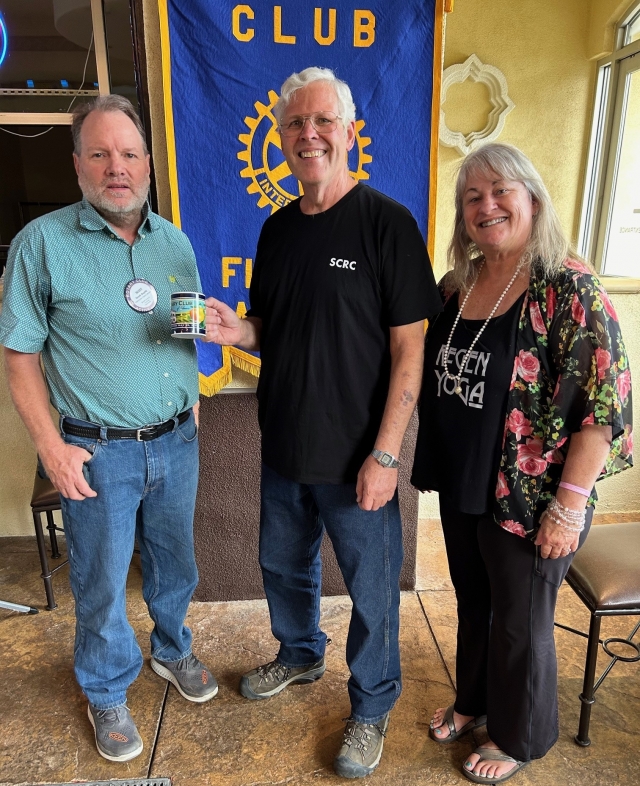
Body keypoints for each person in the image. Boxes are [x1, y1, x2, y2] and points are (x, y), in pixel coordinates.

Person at [204, 66, 441, 778]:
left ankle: (371, 704)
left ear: (348, 131)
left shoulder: (387, 224)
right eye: (295, 124)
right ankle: (301, 653)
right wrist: (238, 331)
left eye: (322, 121)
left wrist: (386, 456)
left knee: (372, 591)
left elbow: (410, 352)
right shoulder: (277, 230)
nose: (309, 134)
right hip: (284, 446)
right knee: (283, 567)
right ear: (281, 138)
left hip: (358, 455)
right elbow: (272, 330)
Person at [0, 95, 218, 763]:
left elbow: (183, 330)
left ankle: (172, 650)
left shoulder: (173, 241)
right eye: (100, 154)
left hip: (177, 442)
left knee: (176, 564)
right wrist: (51, 448)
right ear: (77, 165)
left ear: (147, 163)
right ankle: (106, 689)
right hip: (96, 453)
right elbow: (19, 355)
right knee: (99, 581)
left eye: (128, 154)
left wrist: (190, 401)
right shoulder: (42, 244)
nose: (116, 167)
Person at [411, 142, 633, 784]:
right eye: (472, 197)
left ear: (532, 198)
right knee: (474, 601)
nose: (487, 205)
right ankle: (475, 703)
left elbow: (603, 407)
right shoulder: (459, 283)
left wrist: (569, 508)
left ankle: (518, 737)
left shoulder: (569, 287)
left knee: (520, 619)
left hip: (534, 498)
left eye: (501, 190)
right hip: (465, 482)